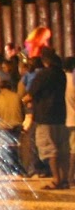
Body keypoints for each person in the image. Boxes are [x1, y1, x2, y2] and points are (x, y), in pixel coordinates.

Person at [30, 47, 68, 189]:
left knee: (50, 149)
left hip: (45, 117)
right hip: (61, 115)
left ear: (44, 60)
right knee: (62, 148)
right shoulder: (61, 74)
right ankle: (64, 179)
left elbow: (31, 92)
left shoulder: (43, 75)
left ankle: (56, 180)